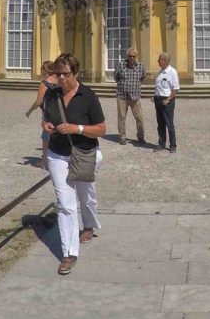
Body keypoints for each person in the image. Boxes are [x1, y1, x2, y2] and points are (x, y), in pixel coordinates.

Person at [42, 53, 105, 276]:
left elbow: (101, 129)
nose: (61, 78)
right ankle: (69, 253)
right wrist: (48, 125)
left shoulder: (88, 96)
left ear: (75, 73)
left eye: (65, 74)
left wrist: (77, 128)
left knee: (86, 194)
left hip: (85, 153)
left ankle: (88, 225)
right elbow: (46, 118)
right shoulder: (51, 95)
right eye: (58, 74)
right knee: (65, 204)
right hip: (58, 154)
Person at [26, 60, 60, 167]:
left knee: (46, 137)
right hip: (60, 112)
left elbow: (38, 102)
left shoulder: (45, 83)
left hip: (48, 113)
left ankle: (44, 161)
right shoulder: (59, 80)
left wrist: (30, 111)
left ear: (45, 70)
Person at [114, 48, 147, 145]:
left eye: (134, 56)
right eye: (130, 56)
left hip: (135, 97)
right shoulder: (121, 65)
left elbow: (143, 77)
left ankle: (141, 137)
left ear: (136, 56)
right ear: (127, 56)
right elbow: (116, 77)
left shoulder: (141, 66)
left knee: (139, 118)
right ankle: (122, 137)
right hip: (122, 96)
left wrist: (135, 86)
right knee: (121, 117)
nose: (132, 58)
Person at [152, 52, 180, 153]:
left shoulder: (172, 72)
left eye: (159, 59)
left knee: (169, 124)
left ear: (165, 61)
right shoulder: (160, 72)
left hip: (167, 100)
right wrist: (154, 95)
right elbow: (159, 86)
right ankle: (161, 143)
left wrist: (168, 99)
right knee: (160, 124)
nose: (158, 61)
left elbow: (175, 88)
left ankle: (173, 145)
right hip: (158, 99)